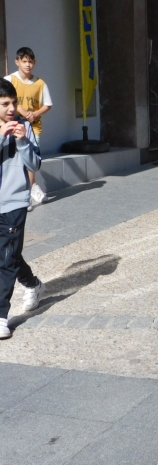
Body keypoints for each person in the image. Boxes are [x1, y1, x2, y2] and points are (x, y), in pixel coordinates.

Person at [0, 79, 45, 340]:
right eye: (5, 104)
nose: (11, 109)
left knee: (6, 258)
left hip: (14, 202)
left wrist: (22, 142)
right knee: (9, 253)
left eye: (14, 103)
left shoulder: (25, 126)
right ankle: (33, 284)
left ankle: (2, 316)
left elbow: (35, 165)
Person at [5, 47, 52, 210]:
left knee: (30, 159)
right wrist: (23, 112)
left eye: (30, 62)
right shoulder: (9, 80)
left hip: (34, 128)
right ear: (17, 62)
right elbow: (5, 100)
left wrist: (34, 114)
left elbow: (47, 104)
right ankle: (24, 191)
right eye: (24, 61)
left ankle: (30, 189)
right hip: (12, 127)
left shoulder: (40, 83)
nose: (28, 65)